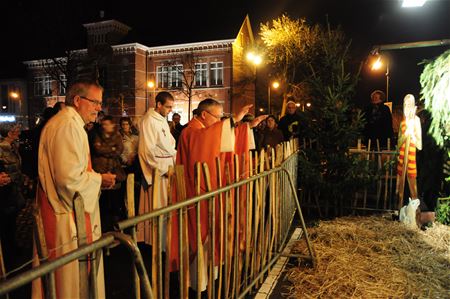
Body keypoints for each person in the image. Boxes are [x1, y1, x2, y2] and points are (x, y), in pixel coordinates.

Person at [33, 79, 116, 298]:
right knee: (68, 284)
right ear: (77, 100)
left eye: (100, 103)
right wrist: (100, 179)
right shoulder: (67, 126)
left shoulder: (69, 124)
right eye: (95, 102)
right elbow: (68, 180)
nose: (99, 108)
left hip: (65, 213)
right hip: (64, 218)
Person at [171, 99, 266, 291]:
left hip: (207, 189)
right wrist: (232, 121)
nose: (220, 121)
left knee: (209, 234)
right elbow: (205, 141)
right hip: (195, 191)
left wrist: (246, 127)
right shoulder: (191, 132)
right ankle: (195, 283)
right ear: (204, 115)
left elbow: (221, 138)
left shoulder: (204, 130)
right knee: (197, 235)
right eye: (218, 117)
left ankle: (206, 279)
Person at [137, 91, 177, 247]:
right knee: (157, 208)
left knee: (167, 208)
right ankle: (155, 243)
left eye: (171, 107)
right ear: (158, 104)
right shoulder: (149, 121)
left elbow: (168, 146)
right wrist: (161, 170)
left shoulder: (161, 120)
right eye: (168, 107)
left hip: (169, 167)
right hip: (159, 172)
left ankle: (165, 242)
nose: (170, 110)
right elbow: (146, 150)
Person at [91, 115, 126, 231]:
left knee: (114, 200)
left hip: (114, 169)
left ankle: (114, 225)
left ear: (112, 125)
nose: (105, 126)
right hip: (100, 170)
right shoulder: (97, 134)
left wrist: (105, 149)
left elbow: (119, 150)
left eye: (108, 124)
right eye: (104, 124)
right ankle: (103, 226)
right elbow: (97, 149)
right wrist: (111, 149)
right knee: (103, 201)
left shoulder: (117, 136)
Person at [0, 122, 26, 270]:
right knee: (6, 224)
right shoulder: (2, 149)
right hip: (5, 194)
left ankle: (11, 248)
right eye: (16, 130)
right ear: (9, 133)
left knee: (12, 222)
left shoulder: (13, 147)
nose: (19, 132)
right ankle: (8, 255)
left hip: (13, 190)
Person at [396, 94, 422, 204]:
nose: (407, 107)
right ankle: (399, 209)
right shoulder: (402, 123)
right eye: (405, 104)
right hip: (402, 159)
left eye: (409, 104)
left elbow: (420, 145)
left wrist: (412, 134)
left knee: (413, 187)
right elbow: (398, 144)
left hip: (412, 159)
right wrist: (406, 134)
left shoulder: (416, 120)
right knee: (399, 187)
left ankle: (415, 212)